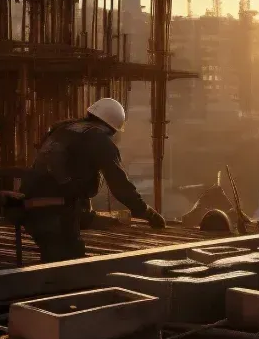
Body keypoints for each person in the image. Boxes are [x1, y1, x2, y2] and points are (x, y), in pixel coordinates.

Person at [18, 98, 166, 262]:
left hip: (30, 207)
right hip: (56, 212)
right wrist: (146, 212)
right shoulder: (97, 139)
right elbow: (119, 185)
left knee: (55, 259)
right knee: (68, 266)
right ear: (112, 128)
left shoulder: (61, 130)